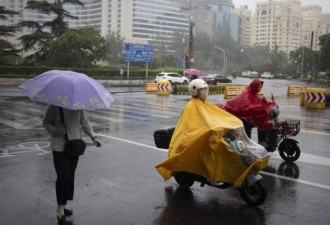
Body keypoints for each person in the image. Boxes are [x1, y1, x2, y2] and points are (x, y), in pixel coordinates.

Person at [43, 105, 101, 224]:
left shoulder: (78, 106)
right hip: (58, 147)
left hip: (74, 147)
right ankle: (60, 206)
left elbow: (85, 123)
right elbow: (46, 122)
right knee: (63, 175)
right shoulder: (54, 106)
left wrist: (93, 137)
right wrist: (57, 131)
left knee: (70, 176)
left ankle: (65, 204)